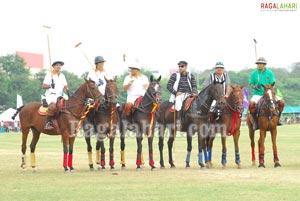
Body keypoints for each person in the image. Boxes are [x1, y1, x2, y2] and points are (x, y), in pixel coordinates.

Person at [248, 57, 284, 129]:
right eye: (258, 63)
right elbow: (250, 83)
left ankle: (278, 118)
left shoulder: (270, 73)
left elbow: (272, 83)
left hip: (269, 93)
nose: (259, 65)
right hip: (258, 94)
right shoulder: (254, 73)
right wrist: (255, 87)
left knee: (282, 102)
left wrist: (267, 88)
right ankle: (255, 122)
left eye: (261, 63)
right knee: (251, 105)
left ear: (264, 64)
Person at [42, 61, 69, 130]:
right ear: (53, 67)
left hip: (60, 95)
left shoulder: (62, 75)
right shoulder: (49, 74)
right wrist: (50, 85)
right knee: (53, 106)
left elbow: (65, 86)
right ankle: (47, 123)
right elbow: (43, 86)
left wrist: (67, 88)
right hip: (50, 95)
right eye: (56, 65)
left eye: (60, 65)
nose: (58, 66)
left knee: (68, 106)